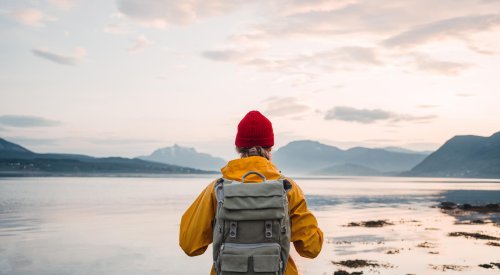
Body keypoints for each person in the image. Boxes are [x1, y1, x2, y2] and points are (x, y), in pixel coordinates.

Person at [179, 110, 323, 275]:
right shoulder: (288, 189)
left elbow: (189, 245)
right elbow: (312, 249)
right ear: (270, 147)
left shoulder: (216, 189)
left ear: (238, 147)